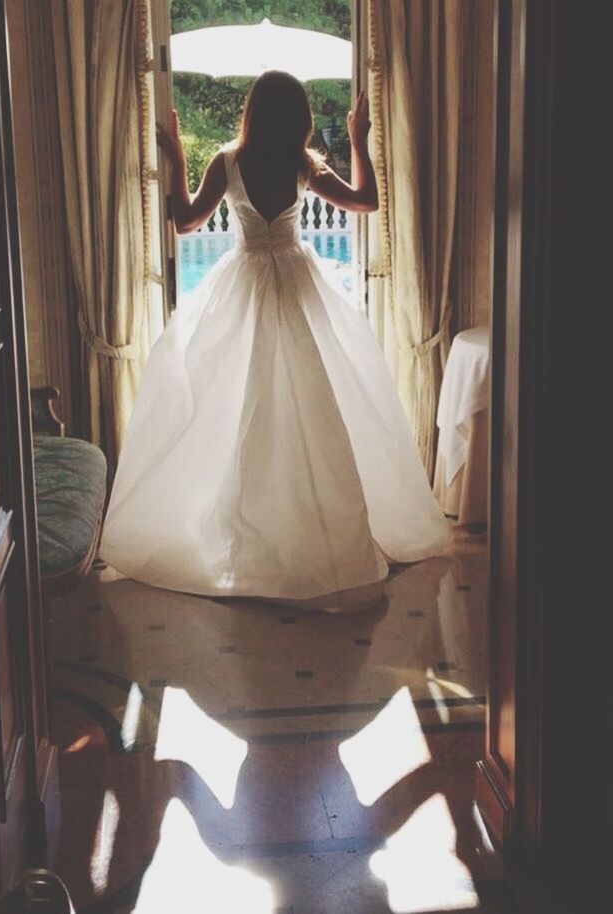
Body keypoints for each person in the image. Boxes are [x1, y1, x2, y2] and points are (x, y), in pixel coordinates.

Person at [99, 71, 450, 602]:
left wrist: (174, 160)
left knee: (246, 408)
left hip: (244, 282)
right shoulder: (300, 165)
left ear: (253, 113)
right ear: (298, 120)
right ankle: (310, 530)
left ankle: (251, 534)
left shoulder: (227, 162)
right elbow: (366, 202)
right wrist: (359, 139)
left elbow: (186, 223)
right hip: (294, 286)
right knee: (308, 405)